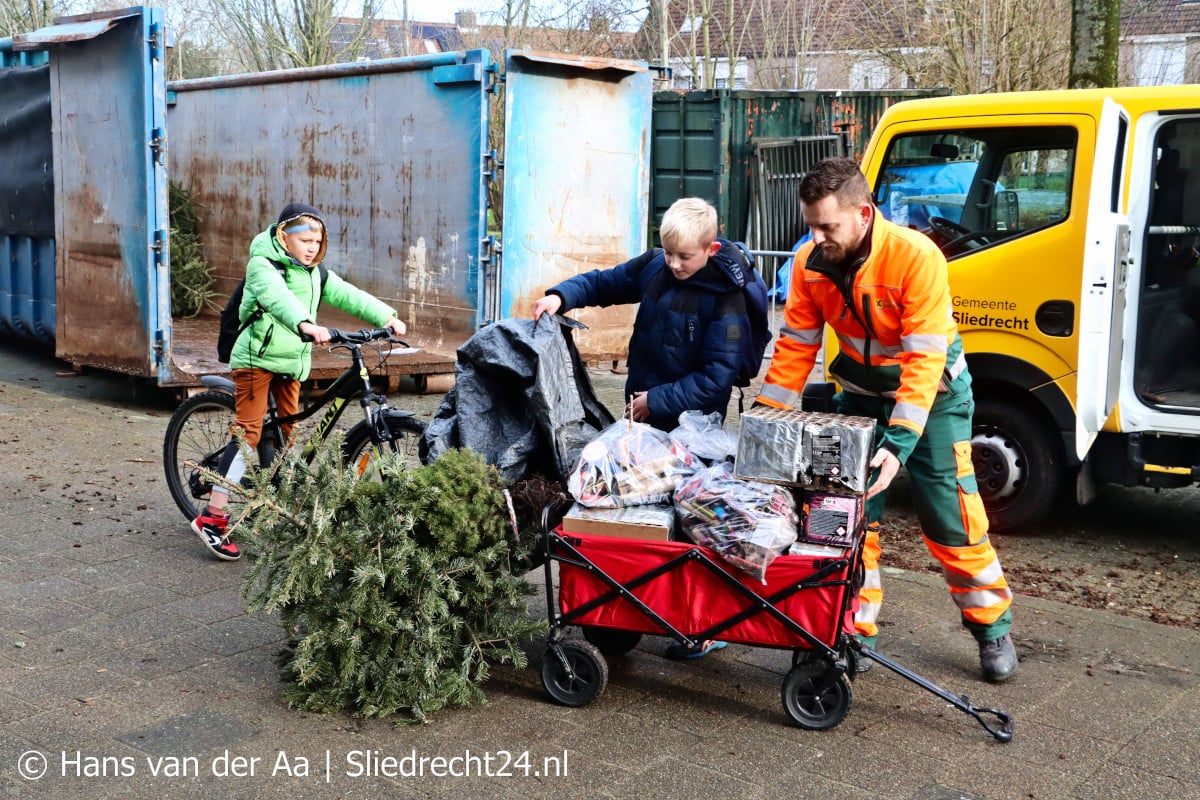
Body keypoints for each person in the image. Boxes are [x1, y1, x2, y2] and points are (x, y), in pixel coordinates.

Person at [756, 157, 1018, 682]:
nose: (817, 237)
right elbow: (794, 350)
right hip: (858, 398)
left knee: (951, 513)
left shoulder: (915, 257)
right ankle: (850, 629)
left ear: (863, 213)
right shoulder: (810, 262)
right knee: (846, 516)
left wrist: (897, 445)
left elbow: (924, 360)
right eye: (810, 225)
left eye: (827, 226)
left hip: (935, 397)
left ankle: (992, 627)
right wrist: (765, 427)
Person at [532, 196, 753, 660]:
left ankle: (703, 626)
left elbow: (718, 378)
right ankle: (629, 607)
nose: (673, 264)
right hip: (643, 420)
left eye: (684, 257)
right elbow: (606, 282)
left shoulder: (726, 299)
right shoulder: (656, 265)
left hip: (692, 430)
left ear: (711, 249)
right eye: (667, 252)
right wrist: (562, 295)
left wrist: (659, 401)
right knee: (635, 516)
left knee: (690, 522)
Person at [191, 202, 406, 561]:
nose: (311, 246)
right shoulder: (262, 264)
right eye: (304, 239)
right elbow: (277, 298)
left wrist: (387, 315)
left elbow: (347, 293)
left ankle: (273, 497)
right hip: (256, 359)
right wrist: (306, 324)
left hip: (291, 361)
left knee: (288, 433)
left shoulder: (315, 272)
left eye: (317, 239)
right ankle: (213, 517)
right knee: (249, 432)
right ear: (282, 237)